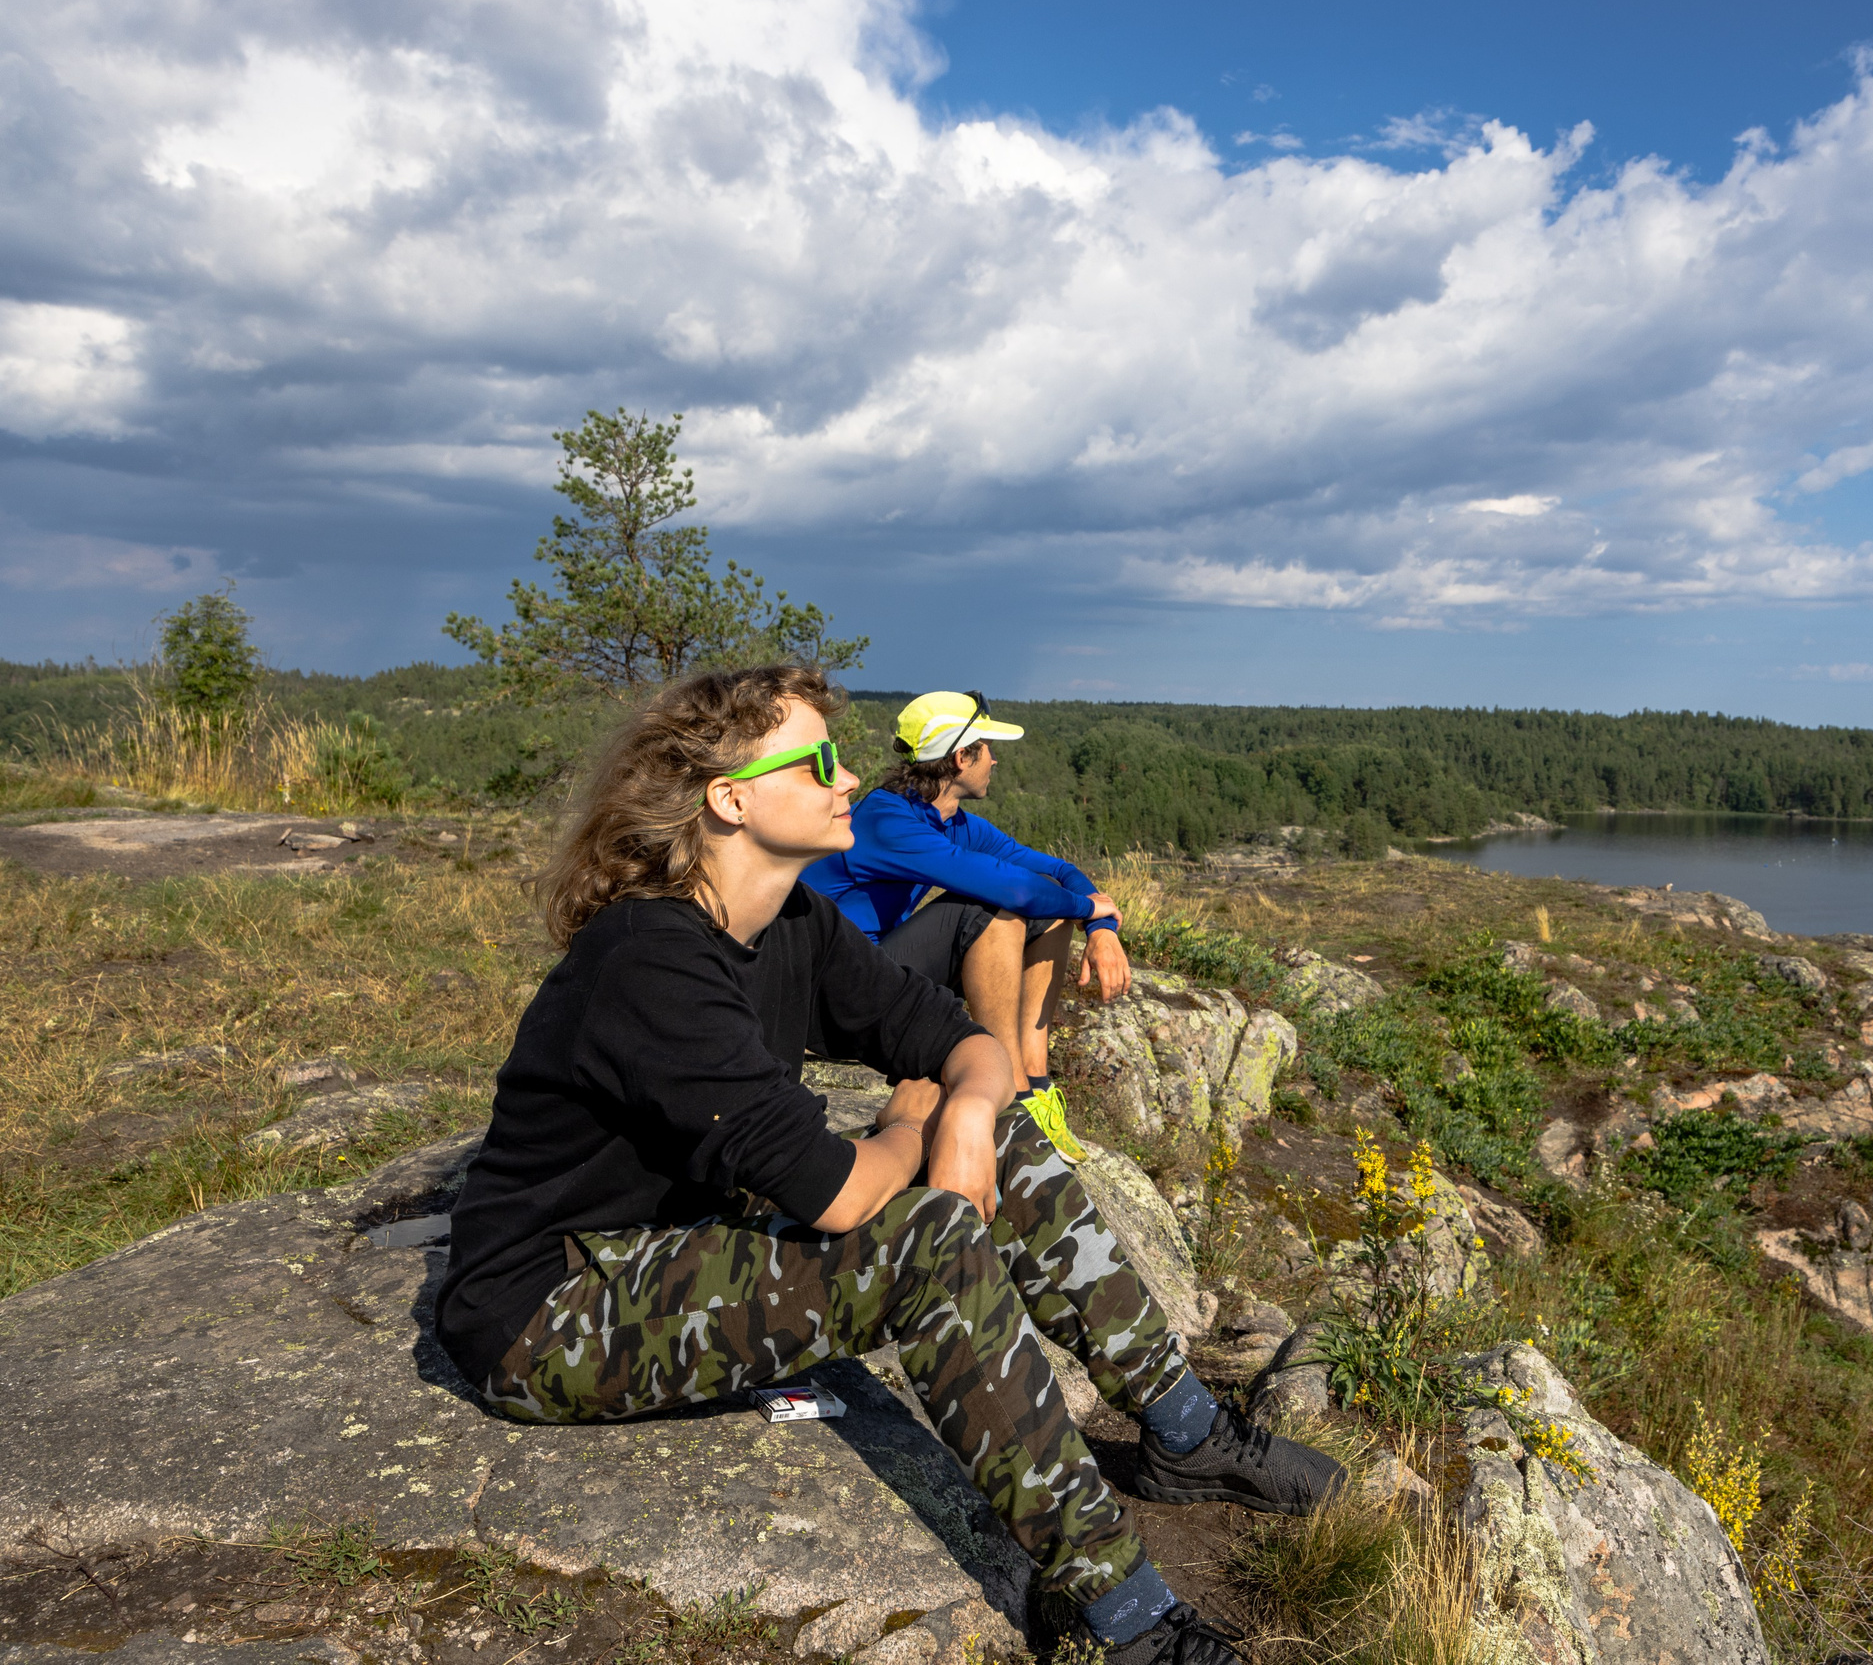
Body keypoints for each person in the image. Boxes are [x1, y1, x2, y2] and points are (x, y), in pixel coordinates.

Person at [433, 667, 1342, 1665]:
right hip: (554, 1307)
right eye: (817, 759)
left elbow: (963, 1041)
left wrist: (960, 1119)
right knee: (922, 1246)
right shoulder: (650, 960)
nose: (848, 775)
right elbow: (842, 1192)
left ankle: (1186, 1432)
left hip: (678, 1242)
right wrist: (915, 1124)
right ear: (728, 799)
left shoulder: (788, 921)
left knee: (989, 1131)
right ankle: (1125, 1619)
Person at [800, 690, 1126, 1159]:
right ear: (961, 757)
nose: (995, 760)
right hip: (830, 1001)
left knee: (1053, 905)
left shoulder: (954, 822)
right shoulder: (885, 819)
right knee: (987, 910)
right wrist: (1088, 909)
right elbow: (1014, 892)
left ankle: (1034, 1083)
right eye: (988, 748)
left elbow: (1055, 873)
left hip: (876, 977)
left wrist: (1100, 927)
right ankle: (1009, 1100)